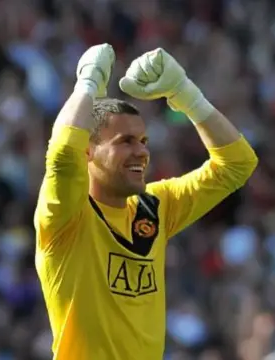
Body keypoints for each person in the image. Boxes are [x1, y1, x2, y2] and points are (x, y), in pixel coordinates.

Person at [34, 43, 259, 359]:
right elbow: (61, 155)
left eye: (143, 141)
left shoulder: (155, 206)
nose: (141, 152)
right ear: (89, 151)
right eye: (125, 142)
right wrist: (87, 84)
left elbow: (237, 164)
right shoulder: (66, 218)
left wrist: (184, 93)